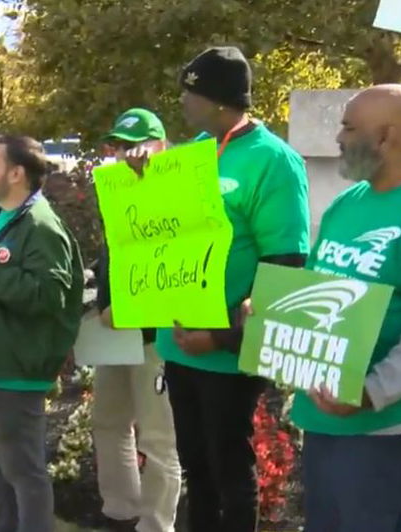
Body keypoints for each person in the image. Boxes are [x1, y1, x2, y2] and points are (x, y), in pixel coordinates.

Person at [129, 47, 310, 532]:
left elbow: (285, 264)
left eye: (191, 92)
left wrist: (223, 335)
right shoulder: (188, 156)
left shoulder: (274, 160)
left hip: (226, 350)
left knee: (229, 466)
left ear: (219, 99)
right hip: (180, 345)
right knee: (196, 469)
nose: (182, 101)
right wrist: (137, 180)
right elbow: (157, 235)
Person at [278, 85, 401, 532]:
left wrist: (371, 390)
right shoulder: (349, 203)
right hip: (326, 413)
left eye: (348, 127)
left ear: (386, 137)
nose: (338, 137)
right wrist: (270, 315)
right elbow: (320, 291)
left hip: (386, 428)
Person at [0, 135, 83, 532]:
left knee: (24, 473)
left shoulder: (41, 226)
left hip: (12, 369)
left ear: (17, 172)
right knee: (0, 470)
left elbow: (49, 297)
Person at [92, 109, 181, 532]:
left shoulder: (177, 195)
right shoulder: (119, 191)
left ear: (162, 144)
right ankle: (119, 511)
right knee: (108, 423)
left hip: (154, 336)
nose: (131, 153)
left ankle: (156, 524)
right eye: (123, 145)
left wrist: (125, 307)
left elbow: (175, 271)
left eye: (140, 143)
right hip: (113, 333)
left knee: (159, 438)